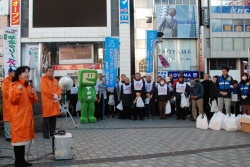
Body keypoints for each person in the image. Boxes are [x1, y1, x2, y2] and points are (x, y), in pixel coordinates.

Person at [9, 66, 38, 167]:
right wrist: (18, 91)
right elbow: (12, 100)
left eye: (28, 72)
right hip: (18, 118)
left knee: (23, 140)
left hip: (27, 117)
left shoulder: (28, 86)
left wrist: (33, 94)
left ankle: (22, 160)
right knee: (18, 140)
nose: (27, 74)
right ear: (19, 74)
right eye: (24, 72)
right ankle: (18, 162)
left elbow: (34, 101)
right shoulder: (14, 85)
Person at [40, 66, 61, 139]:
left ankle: (52, 132)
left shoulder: (55, 80)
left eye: (52, 71)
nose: (50, 72)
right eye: (49, 71)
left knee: (53, 118)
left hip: (54, 103)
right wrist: (53, 95)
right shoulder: (43, 80)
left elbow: (59, 89)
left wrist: (57, 94)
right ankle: (46, 134)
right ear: (46, 72)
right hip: (47, 102)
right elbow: (45, 90)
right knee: (46, 119)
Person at [2, 67, 15, 142]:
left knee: (13, 119)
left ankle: (12, 134)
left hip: (14, 103)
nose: (15, 73)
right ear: (10, 72)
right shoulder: (5, 81)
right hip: (8, 103)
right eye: (13, 72)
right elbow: (5, 93)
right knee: (7, 120)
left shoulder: (15, 81)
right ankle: (8, 136)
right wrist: (14, 96)